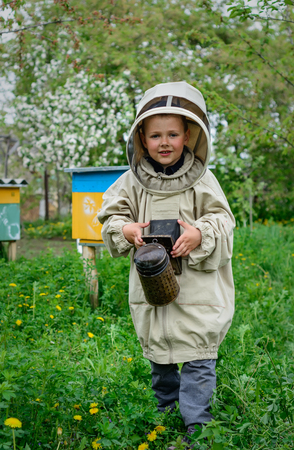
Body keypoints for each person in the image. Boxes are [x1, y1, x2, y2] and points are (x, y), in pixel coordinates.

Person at [98, 81, 235, 449]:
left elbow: (224, 223)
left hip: (197, 292)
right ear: (141, 138)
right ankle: (165, 420)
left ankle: (197, 431)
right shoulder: (130, 183)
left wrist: (199, 235)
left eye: (173, 133)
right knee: (161, 362)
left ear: (188, 135)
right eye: (155, 134)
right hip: (152, 293)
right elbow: (110, 217)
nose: (164, 142)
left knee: (197, 363)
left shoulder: (203, 181)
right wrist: (125, 228)